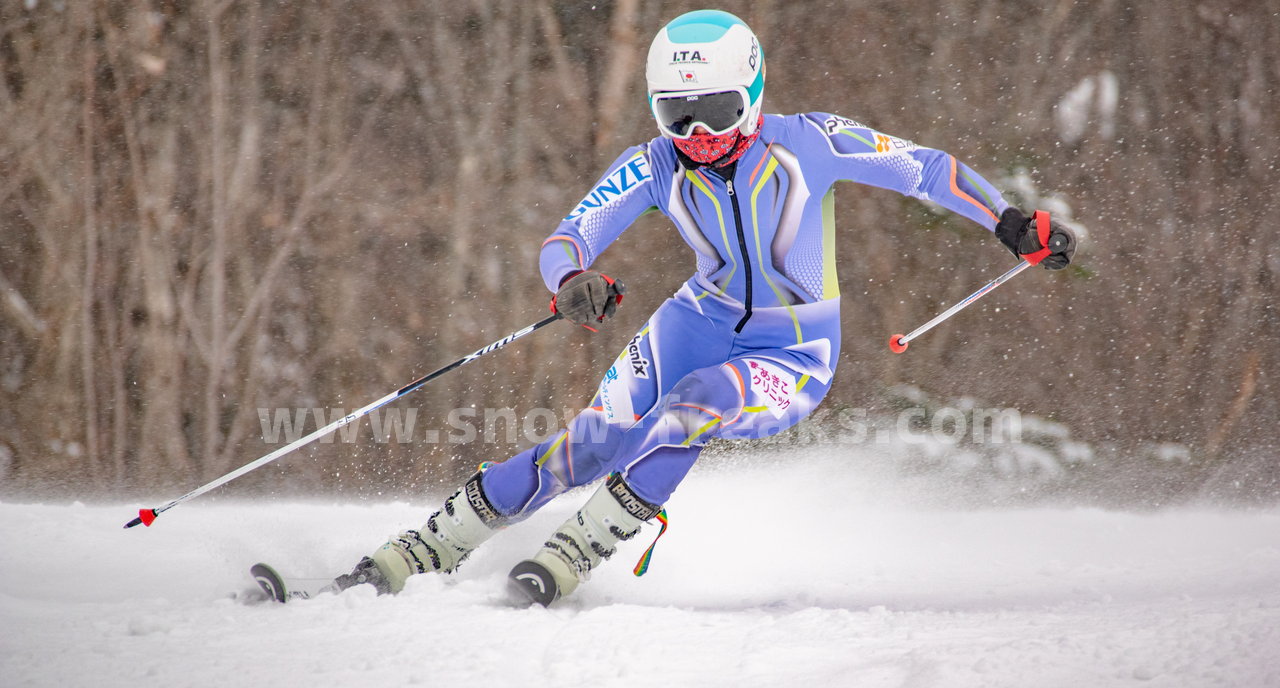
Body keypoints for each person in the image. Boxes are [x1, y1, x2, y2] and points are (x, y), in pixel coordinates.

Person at [334, 9, 1076, 606]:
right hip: (695, 322)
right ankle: (423, 549)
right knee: (589, 443)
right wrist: (570, 280)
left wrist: (1010, 221)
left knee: (695, 405)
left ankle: (574, 551)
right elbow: (571, 233)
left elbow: (924, 169)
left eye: (716, 110)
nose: (700, 135)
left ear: (752, 92)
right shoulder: (656, 164)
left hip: (793, 352)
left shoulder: (807, 143)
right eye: (677, 115)